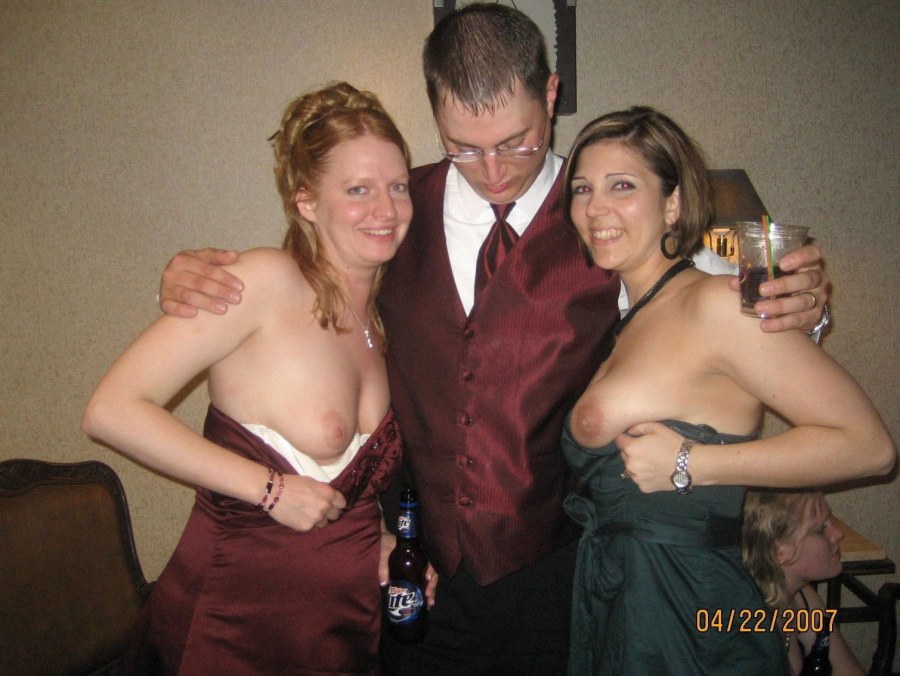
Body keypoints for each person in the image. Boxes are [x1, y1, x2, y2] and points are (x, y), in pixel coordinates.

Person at [153, 4, 833, 672]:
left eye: (517, 142)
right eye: (464, 148)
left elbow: (711, 295)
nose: (495, 169)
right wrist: (189, 281)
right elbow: (309, 286)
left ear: (551, 96)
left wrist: (801, 306)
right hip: (415, 573)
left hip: (553, 576)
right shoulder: (393, 213)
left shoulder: (609, 219)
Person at [83, 82, 415, 674]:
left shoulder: (380, 320)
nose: (386, 210)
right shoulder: (265, 280)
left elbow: (345, 485)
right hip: (231, 632)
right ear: (306, 201)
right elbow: (112, 410)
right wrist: (269, 489)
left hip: (334, 634)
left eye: (398, 186)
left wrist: (378, 541)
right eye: (358, 189)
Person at [560, 105, 895, 675]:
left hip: (685, 610)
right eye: (582, 189)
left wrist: (692, 462)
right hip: (627, 599)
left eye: (622, 185)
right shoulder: (626, 317)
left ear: (673, 204)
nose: (595, 207)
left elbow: (869, 446)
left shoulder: (714, 303)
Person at [743, 491, 866, 675]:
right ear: (779, 551)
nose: (838, 534)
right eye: (821, 529)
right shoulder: (750, 623)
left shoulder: (800, 596)